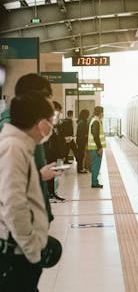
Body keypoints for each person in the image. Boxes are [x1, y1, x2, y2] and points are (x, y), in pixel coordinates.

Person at [0, 92, 54, 291]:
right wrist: (32, 251)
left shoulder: (20, 147)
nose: (51, 126)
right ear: (40, 123)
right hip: (16, 254)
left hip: (19, 251)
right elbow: (14, 205)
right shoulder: (13, 148)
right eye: (51, 120)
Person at [0, 73, 62, 223]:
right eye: (47, 95)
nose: (50, 101)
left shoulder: (29, 123)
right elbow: (8, 184)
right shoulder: (10, 127)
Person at [44, 101, 66, 202]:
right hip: (47, 154)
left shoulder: (55, 124)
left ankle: (52, 193)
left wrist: (60, 154)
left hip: (53, 154)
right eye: (58, 111)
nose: (59, 113)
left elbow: (56, 140)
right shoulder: (45, 123)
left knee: (52, 176)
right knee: (48, 175)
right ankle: (49, 194)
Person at [88, 106, 106, 188]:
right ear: (101, 113)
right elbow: (95, 136)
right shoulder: (96, 122)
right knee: (96, 165)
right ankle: (94, 183)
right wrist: (99, 148)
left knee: (95, 165)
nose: (103, 115)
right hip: (95, 148)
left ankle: (95, 181)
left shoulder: (95, 120)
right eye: (103, 113)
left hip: (94, 147)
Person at [76, 109, 90, 173]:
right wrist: (86, 137)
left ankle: (80, 168)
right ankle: (80, 169)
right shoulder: (82, 122)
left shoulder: (81, 121)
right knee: (81, 155)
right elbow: (83, 133)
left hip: (80, 141)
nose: (88, 115)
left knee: (81, 155)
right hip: (81, 141)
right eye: (88, 114)